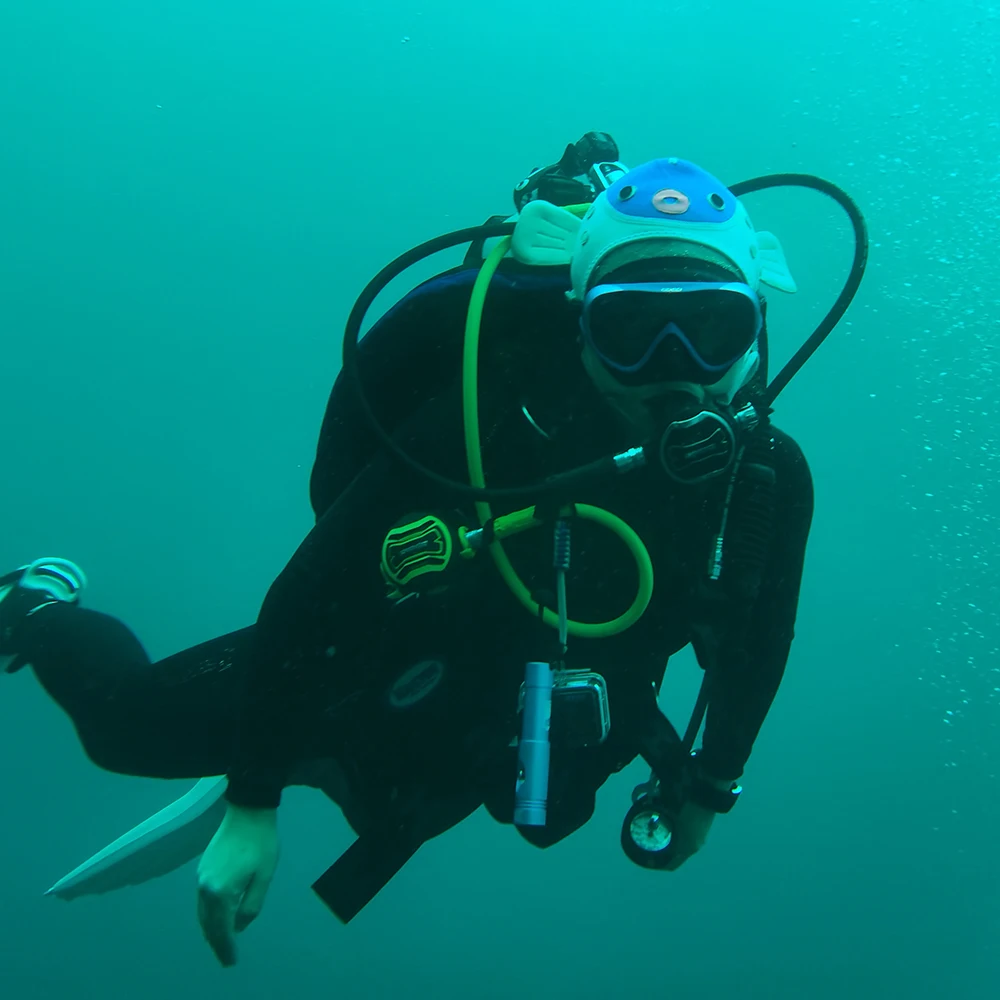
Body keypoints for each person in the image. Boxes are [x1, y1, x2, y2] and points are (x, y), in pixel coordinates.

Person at [0, 134, 868, 967]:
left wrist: (711, 788)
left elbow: (759, 643)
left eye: (711, 331)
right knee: (121, 727)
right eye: (629, 329)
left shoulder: (764, 477)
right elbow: (309, 590)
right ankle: (34, 603)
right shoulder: (490, 419)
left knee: (514, 806)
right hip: (370, 652)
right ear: (579, 325)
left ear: (754, 331)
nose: (671, 372)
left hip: (512, 700)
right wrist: (252, 801)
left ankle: (304, 759)